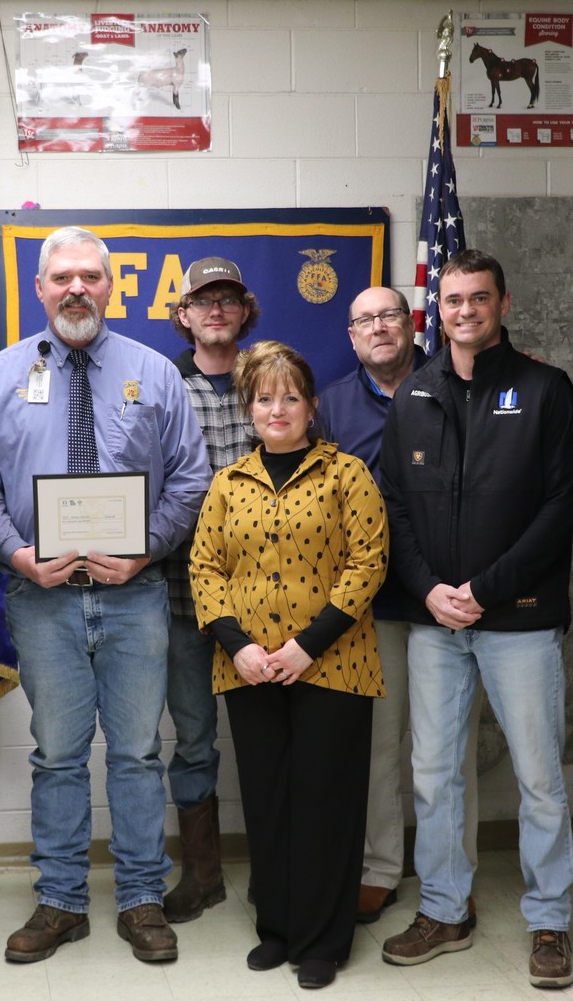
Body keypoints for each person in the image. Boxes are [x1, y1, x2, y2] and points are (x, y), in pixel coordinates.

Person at [0, 226, 212, 964]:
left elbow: (191, 481)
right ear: (39, 290)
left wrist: (145, 553)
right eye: (61, 277)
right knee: (58, 756)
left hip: (135, 598)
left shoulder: (155, 374)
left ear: (111, 287)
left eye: (90, 277)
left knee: (136, 754)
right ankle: (62, 900)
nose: (76, 288)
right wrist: (16, 554)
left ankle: (141, 898)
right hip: (42, 600)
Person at [380, 249, 573, 989]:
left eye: (479, 299)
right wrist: (429, 590)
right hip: (435, 622)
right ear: (440, 309)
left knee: (538, 777)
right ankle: (444, 909)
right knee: (434, 774)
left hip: (519, 620)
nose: (465, 311)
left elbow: (562, 506)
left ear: (503, 302)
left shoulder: (546, 390)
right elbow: (393, 504)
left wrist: (486, 589)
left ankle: (550, 921)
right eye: (453, 300)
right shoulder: (416, 394)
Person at [190, 340, 388, 990]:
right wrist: (237, 644)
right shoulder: (227, 483)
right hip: (250, 669)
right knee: (269, 801)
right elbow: (205, 568)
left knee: (325, 802)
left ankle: (322, 940)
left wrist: (308, 644)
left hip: (331, 665)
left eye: (290, 397)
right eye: (265, 398)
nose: (278, 409)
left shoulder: (346, 474)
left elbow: (368, 563)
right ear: (249, 408)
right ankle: (276, 927)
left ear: (311, 405)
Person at [318, 286, 481, 925]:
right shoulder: (328, 405)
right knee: (380, 749)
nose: (380, 328)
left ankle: (453, 877)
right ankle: (378, 869)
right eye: (366, 321)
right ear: (351, 335)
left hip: (446, 599)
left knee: (448, 752)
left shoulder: (455, 386)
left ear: (413, 324)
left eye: (391, 315)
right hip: (371, 607)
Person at [161, 256, 259, 923]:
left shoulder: (272, 380)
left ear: (244, 311)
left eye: (228, 299)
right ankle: (202, 875)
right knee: (195, 739)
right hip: (181, 600)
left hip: (266, 604)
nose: (216, 309)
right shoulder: (161, 386)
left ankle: (282, 866)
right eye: (204, 300)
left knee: (271, 740)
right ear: (184, 315)